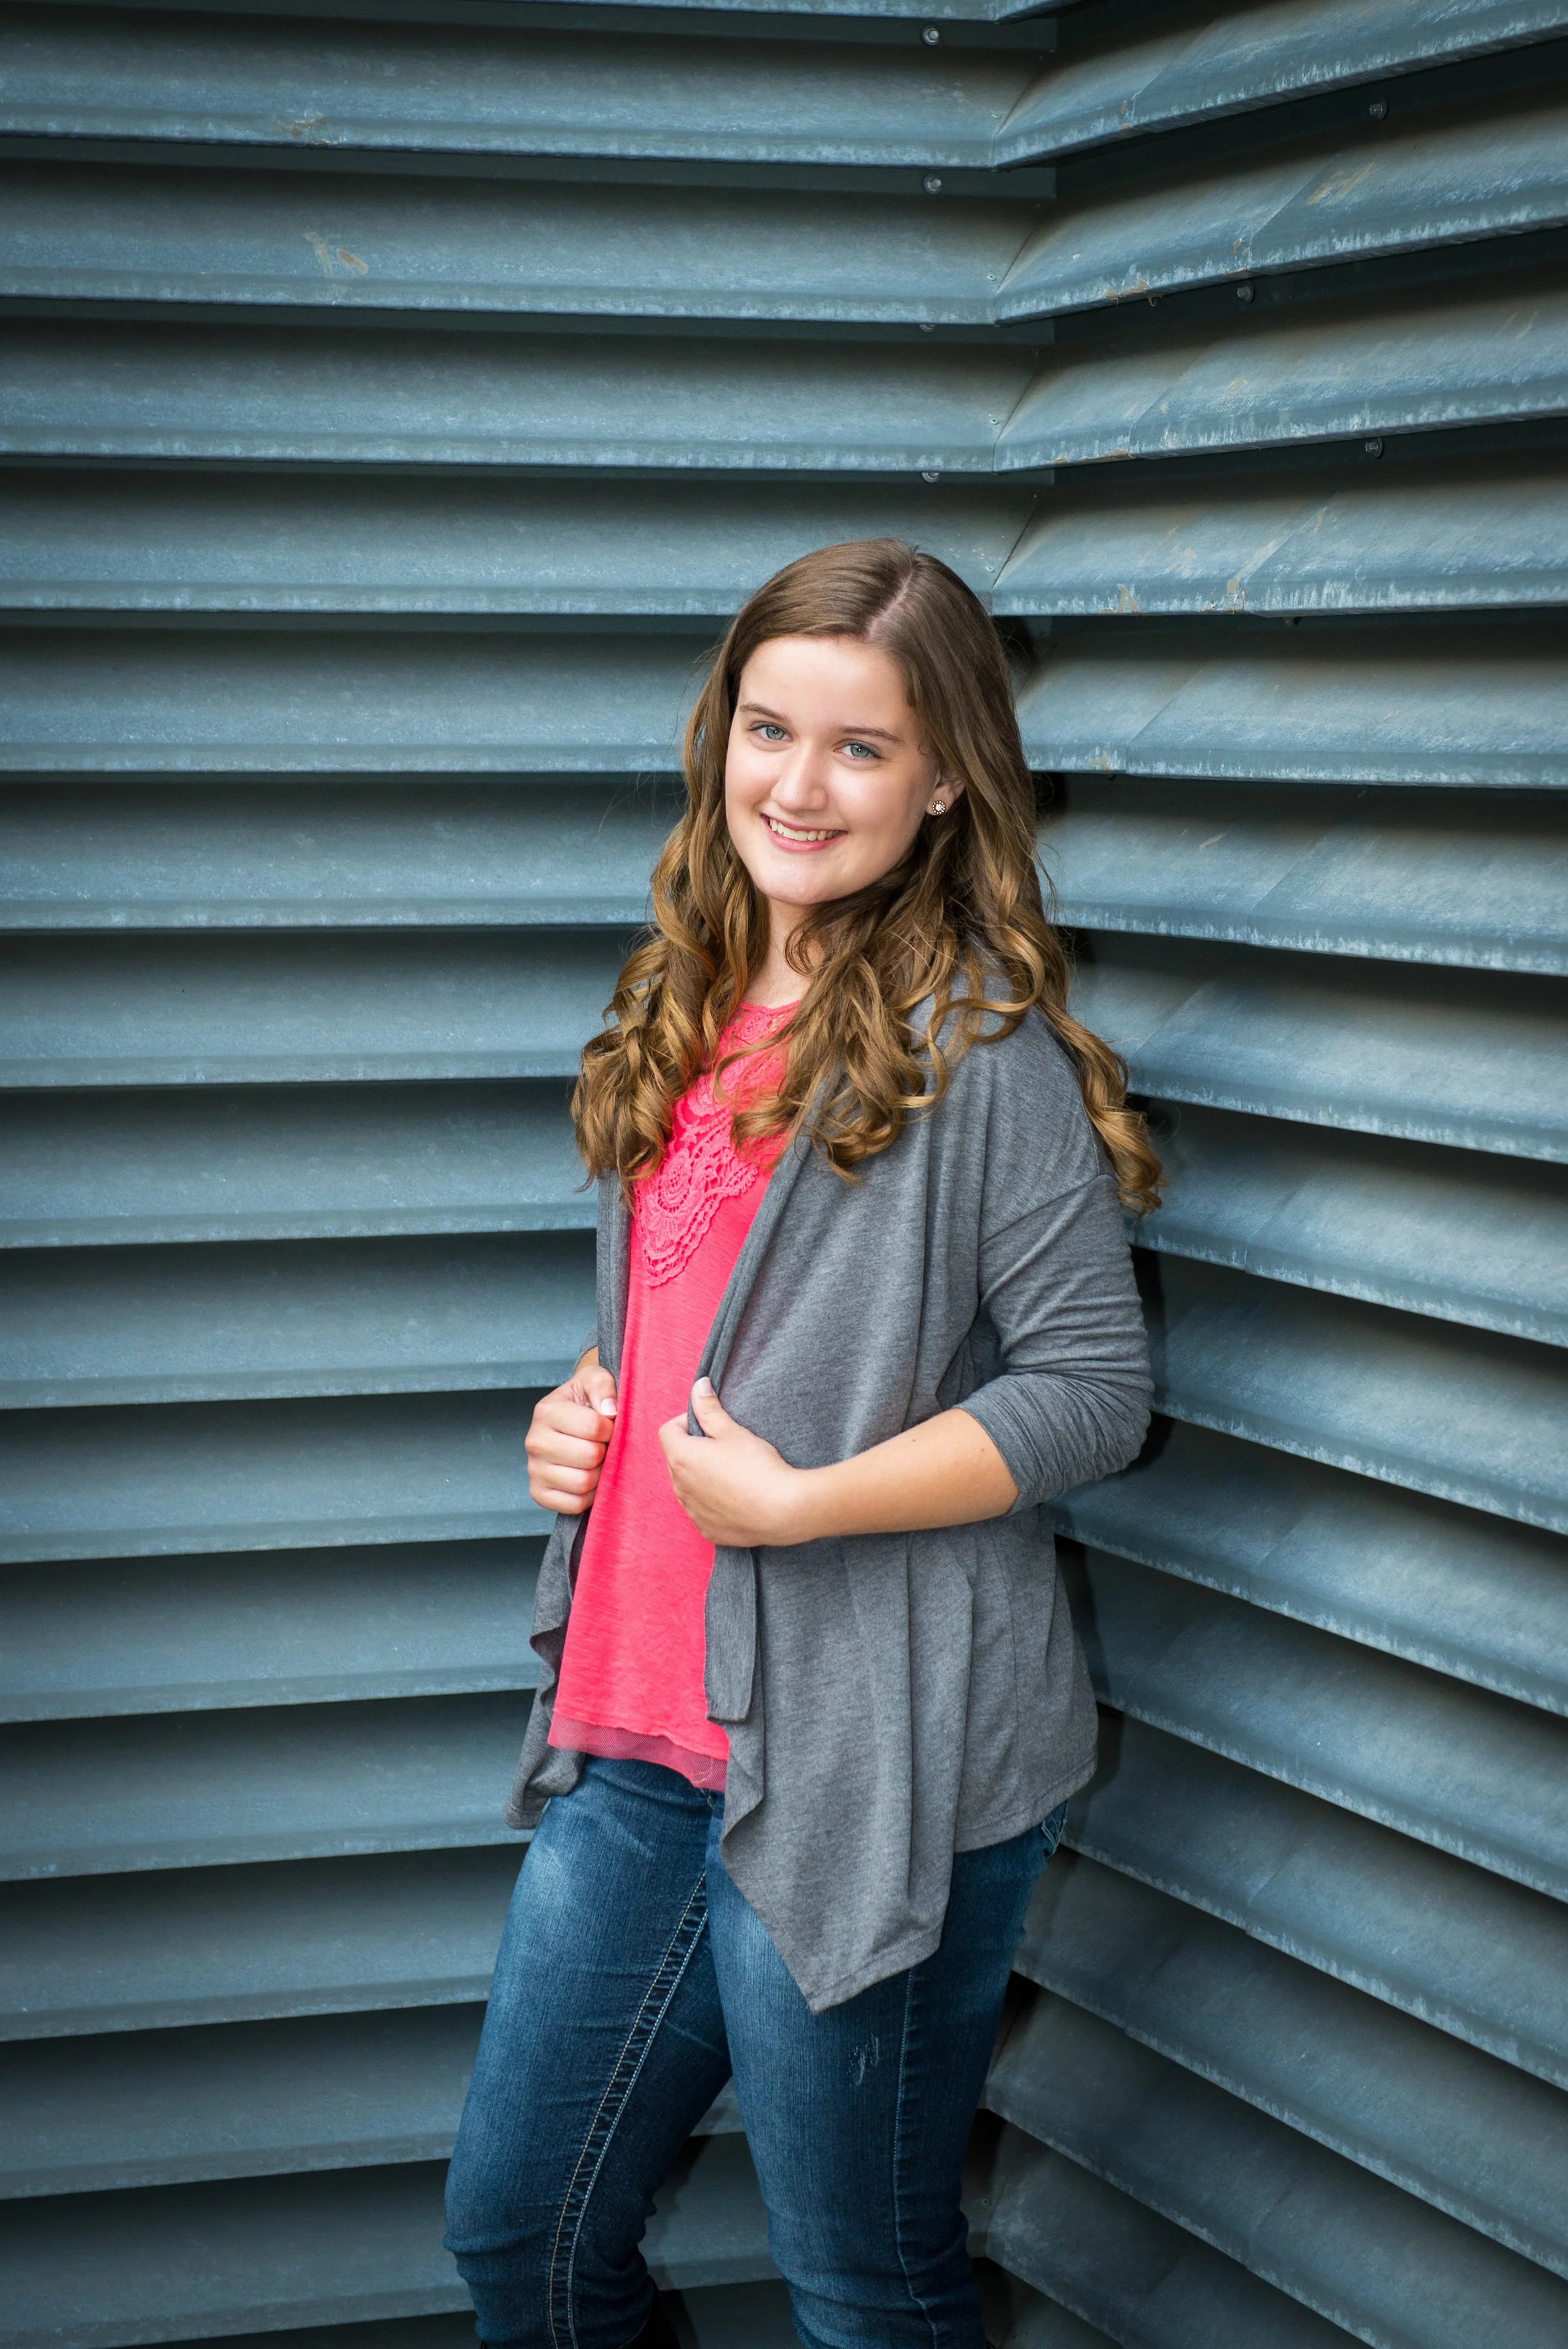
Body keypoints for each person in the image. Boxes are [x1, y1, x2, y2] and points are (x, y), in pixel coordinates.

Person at [444, 538, 1158, 2349]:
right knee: (518, 2243)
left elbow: (1092, 1391)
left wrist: (805, 1502)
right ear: (721, 737)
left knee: (863, 2279)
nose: (800, 783)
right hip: (639, 1735)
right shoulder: (684, 1001)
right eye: (773, 728)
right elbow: (714, 1315)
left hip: (874, 1752)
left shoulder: (976, 1049)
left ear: (943, 783)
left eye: (861, 746)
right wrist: (574, 1417)